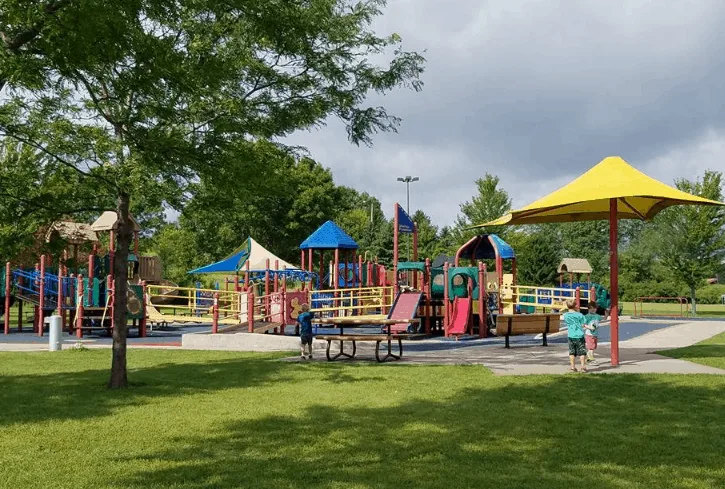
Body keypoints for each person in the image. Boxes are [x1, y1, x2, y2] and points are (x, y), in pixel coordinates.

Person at [563, 299, 587, 372]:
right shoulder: (580, 315)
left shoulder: (565, 315)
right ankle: (583, 367)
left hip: (571, 335)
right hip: (579, 335)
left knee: (572, 352)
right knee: (582, 352)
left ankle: (573, 367)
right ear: (575, 306)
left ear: (567, 306)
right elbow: (583, 325)